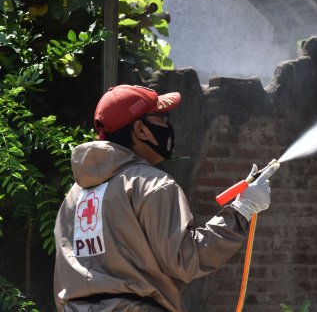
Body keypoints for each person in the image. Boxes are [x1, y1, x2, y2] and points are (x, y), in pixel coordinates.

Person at [53, 84, 278, 311]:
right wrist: (242, 209)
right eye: (162, 118)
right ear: (141, 129)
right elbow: (186, 259)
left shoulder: (74, 197)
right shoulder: (152, 184)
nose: (169, 126)